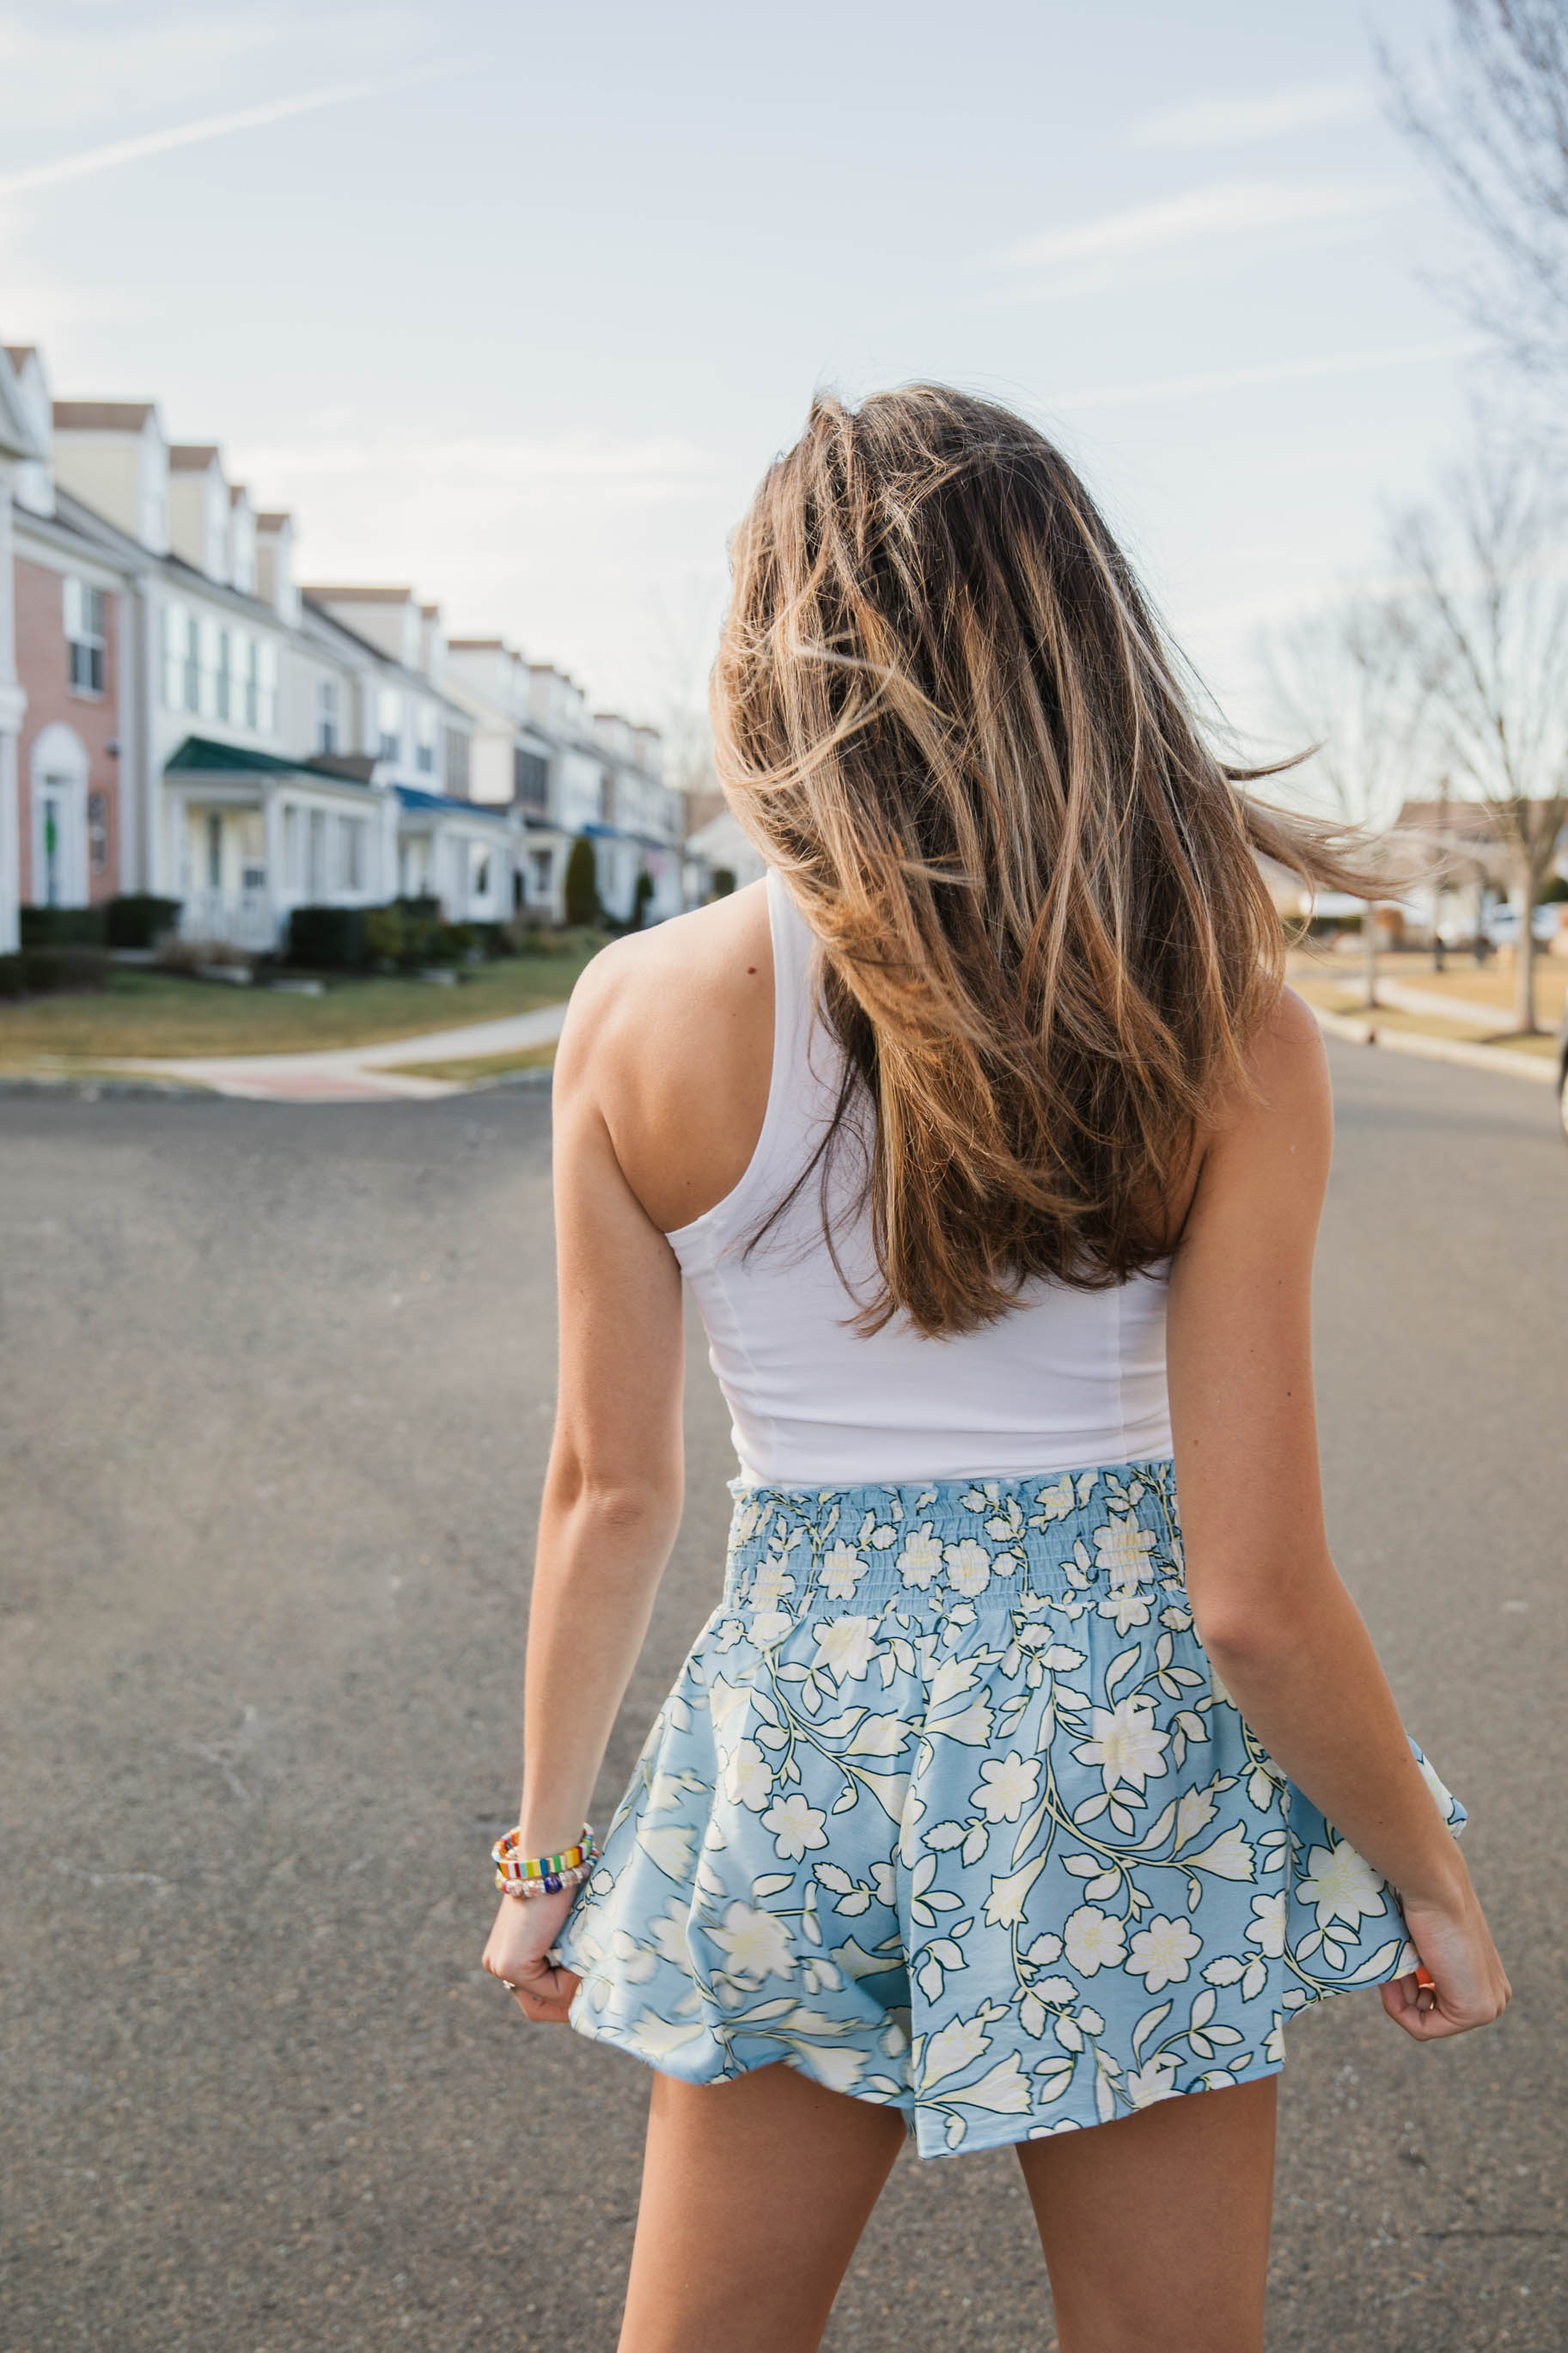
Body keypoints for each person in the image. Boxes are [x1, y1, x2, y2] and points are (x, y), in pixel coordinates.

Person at [482, 387, 1509, 2353]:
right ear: (1079, 649)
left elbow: (608, 1492)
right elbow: (1252, 1593)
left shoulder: (639, 1014)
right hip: (1120, 1764)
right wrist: (1426, 1875)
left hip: (804, 1730)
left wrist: (545, 1857)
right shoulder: (1220, 1024)